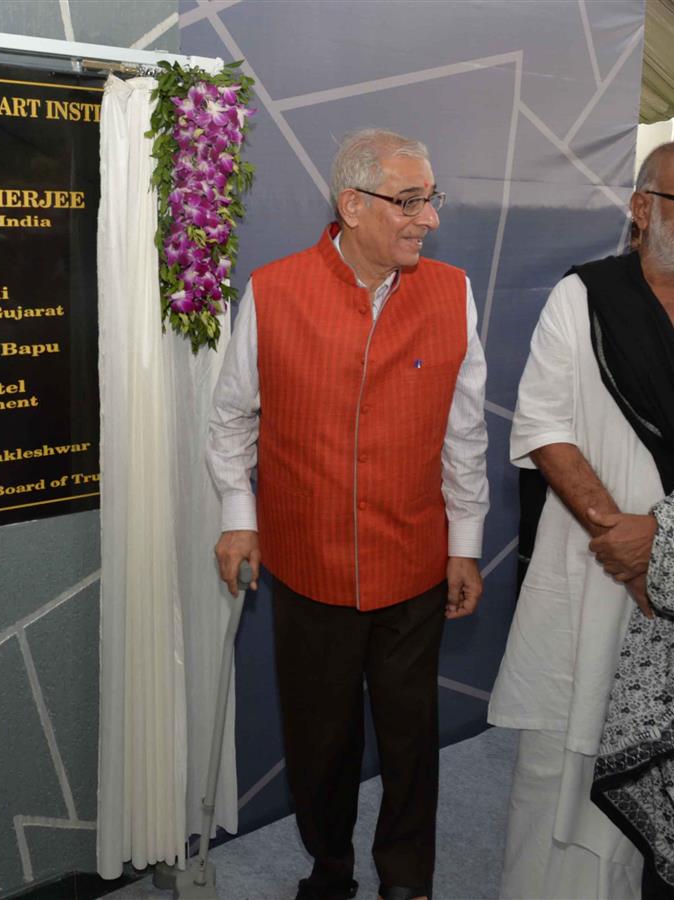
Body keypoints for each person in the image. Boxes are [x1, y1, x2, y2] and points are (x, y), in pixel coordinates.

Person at [489, 138, 674, 898]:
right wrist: (614, 532)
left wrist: (664, 540)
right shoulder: (584, 297)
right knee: (565, 759)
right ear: (643, 207)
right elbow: (543, 425)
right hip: (592, 573)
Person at [208, 128, 489, 900]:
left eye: (431, 198)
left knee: (410, 739)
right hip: (307, 565)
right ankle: (329, 870)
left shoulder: (453, 291)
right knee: (320, 742)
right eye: (410, 200)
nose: (428, 218)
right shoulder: (272, 291)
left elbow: (464, 430)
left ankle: (408, 880)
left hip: (415, 564)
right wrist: (240, 516)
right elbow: (231, 419)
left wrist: (463, 544)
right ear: (351, 205)